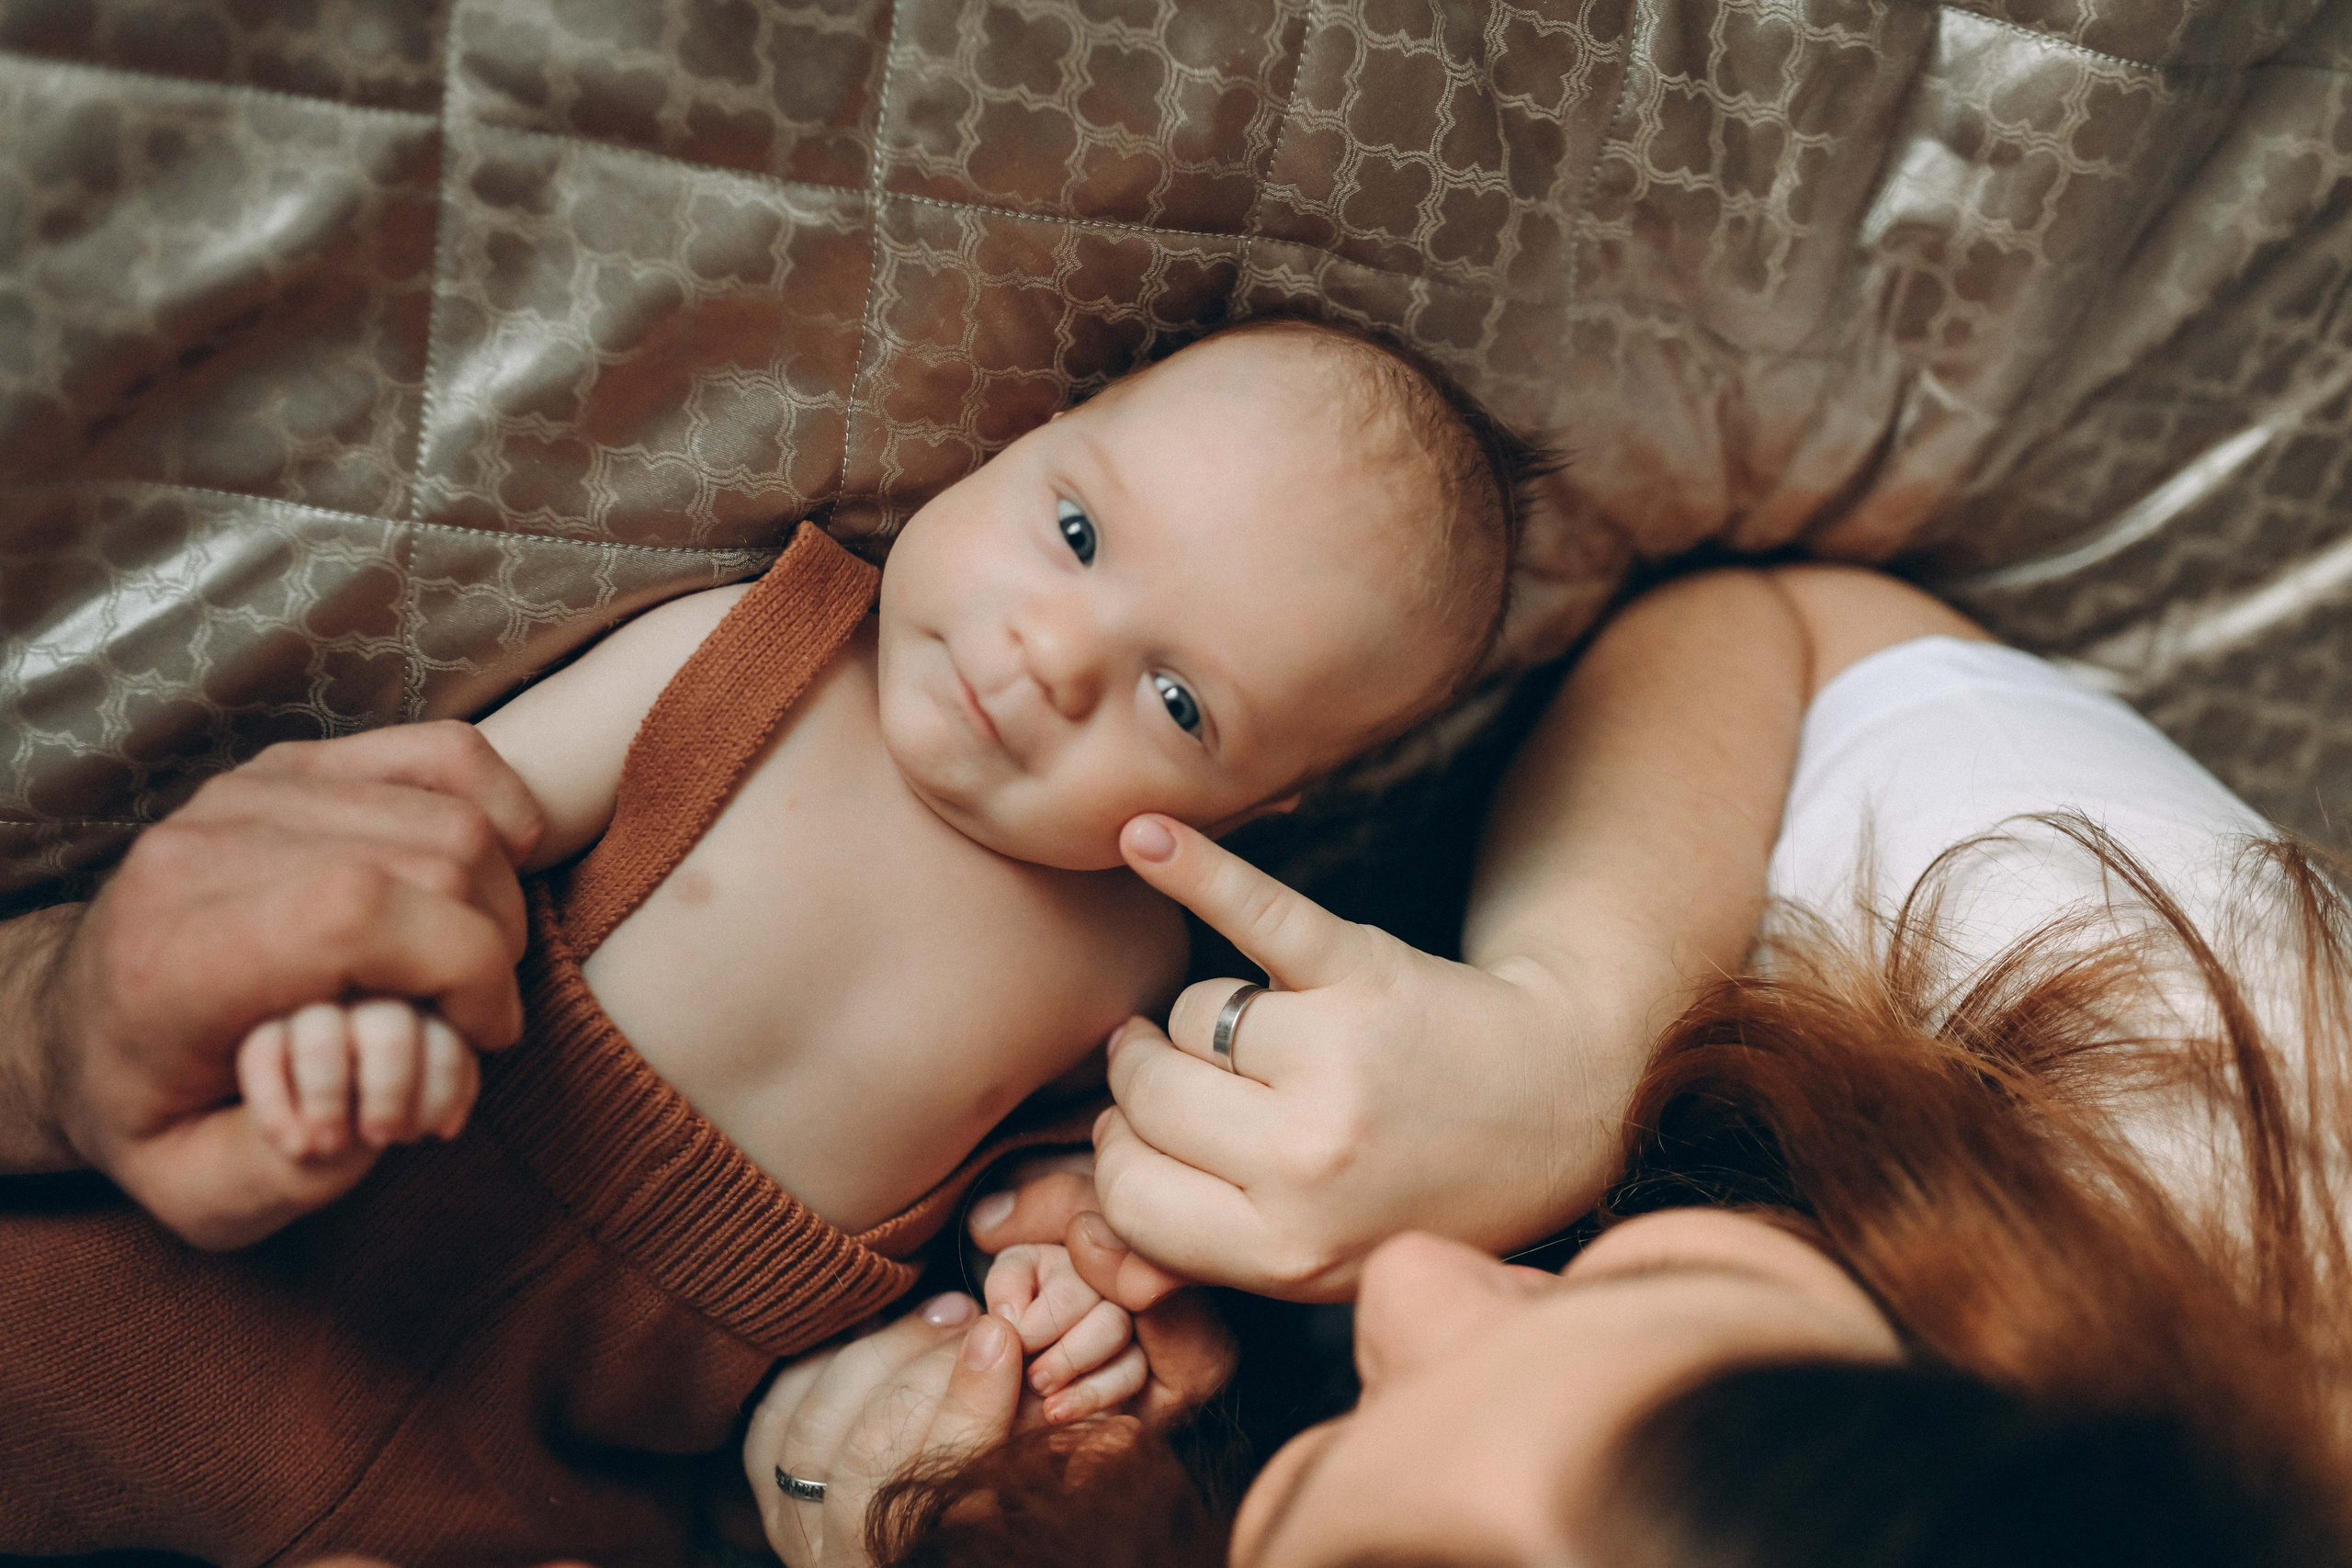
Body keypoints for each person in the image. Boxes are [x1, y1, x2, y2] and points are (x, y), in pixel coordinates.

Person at [0, 316, 1544, 1566]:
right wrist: (326, 999)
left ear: (1260, 802)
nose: (1054, 654)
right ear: (1020, 437)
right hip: (282, 1242)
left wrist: (1072, 1272)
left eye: (1180, 701)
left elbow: (1040, 1211)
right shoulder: (753, 655)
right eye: (1074, 531)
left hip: (555, 1483)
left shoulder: (1146, 970)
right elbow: (440, 822)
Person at [755, 565, 2352, 1565]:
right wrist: (1571, 1036)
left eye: (1310, 1506)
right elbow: (1800, 626)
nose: (1407, 1283)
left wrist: (913, 1514)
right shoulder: (2238, 1133)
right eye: (1623, 1293)